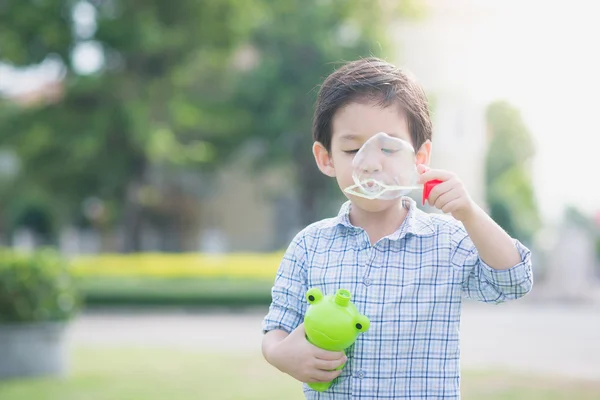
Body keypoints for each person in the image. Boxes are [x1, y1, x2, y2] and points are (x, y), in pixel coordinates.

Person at [261, 57, 533, 399]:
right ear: (326, 158)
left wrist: (469, 213)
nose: (371, 163)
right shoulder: (310, 245)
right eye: (352, 149)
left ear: (419, 159)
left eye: (388, 147)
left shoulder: (445, 240)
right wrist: (281, 354)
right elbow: (277, 328)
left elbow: (513, 282)